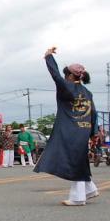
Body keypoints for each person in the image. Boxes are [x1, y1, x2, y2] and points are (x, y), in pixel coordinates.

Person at [34, 46, 99, 206]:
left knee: (72, 161)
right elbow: (94, 113)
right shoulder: (87, 92)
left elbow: (55, 75)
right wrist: (94, 132)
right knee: (80, 160)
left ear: (70, 75)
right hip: (83, 130)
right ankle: (90, 189)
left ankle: (78, 198)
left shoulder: (66, 87)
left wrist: (48, 57)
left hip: (69, 130)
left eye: (66, 75)